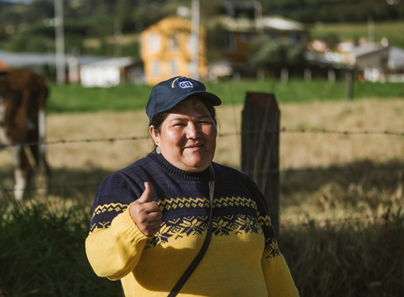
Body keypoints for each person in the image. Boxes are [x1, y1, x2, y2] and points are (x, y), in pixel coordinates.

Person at [85, 76, 299, 297]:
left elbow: (272, 263)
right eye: (179, 124)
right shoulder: (126, 185)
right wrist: (131, 227)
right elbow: (102, 265)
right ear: (155, 134)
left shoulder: (243, 186)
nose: (193, 133)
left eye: (203, 122)